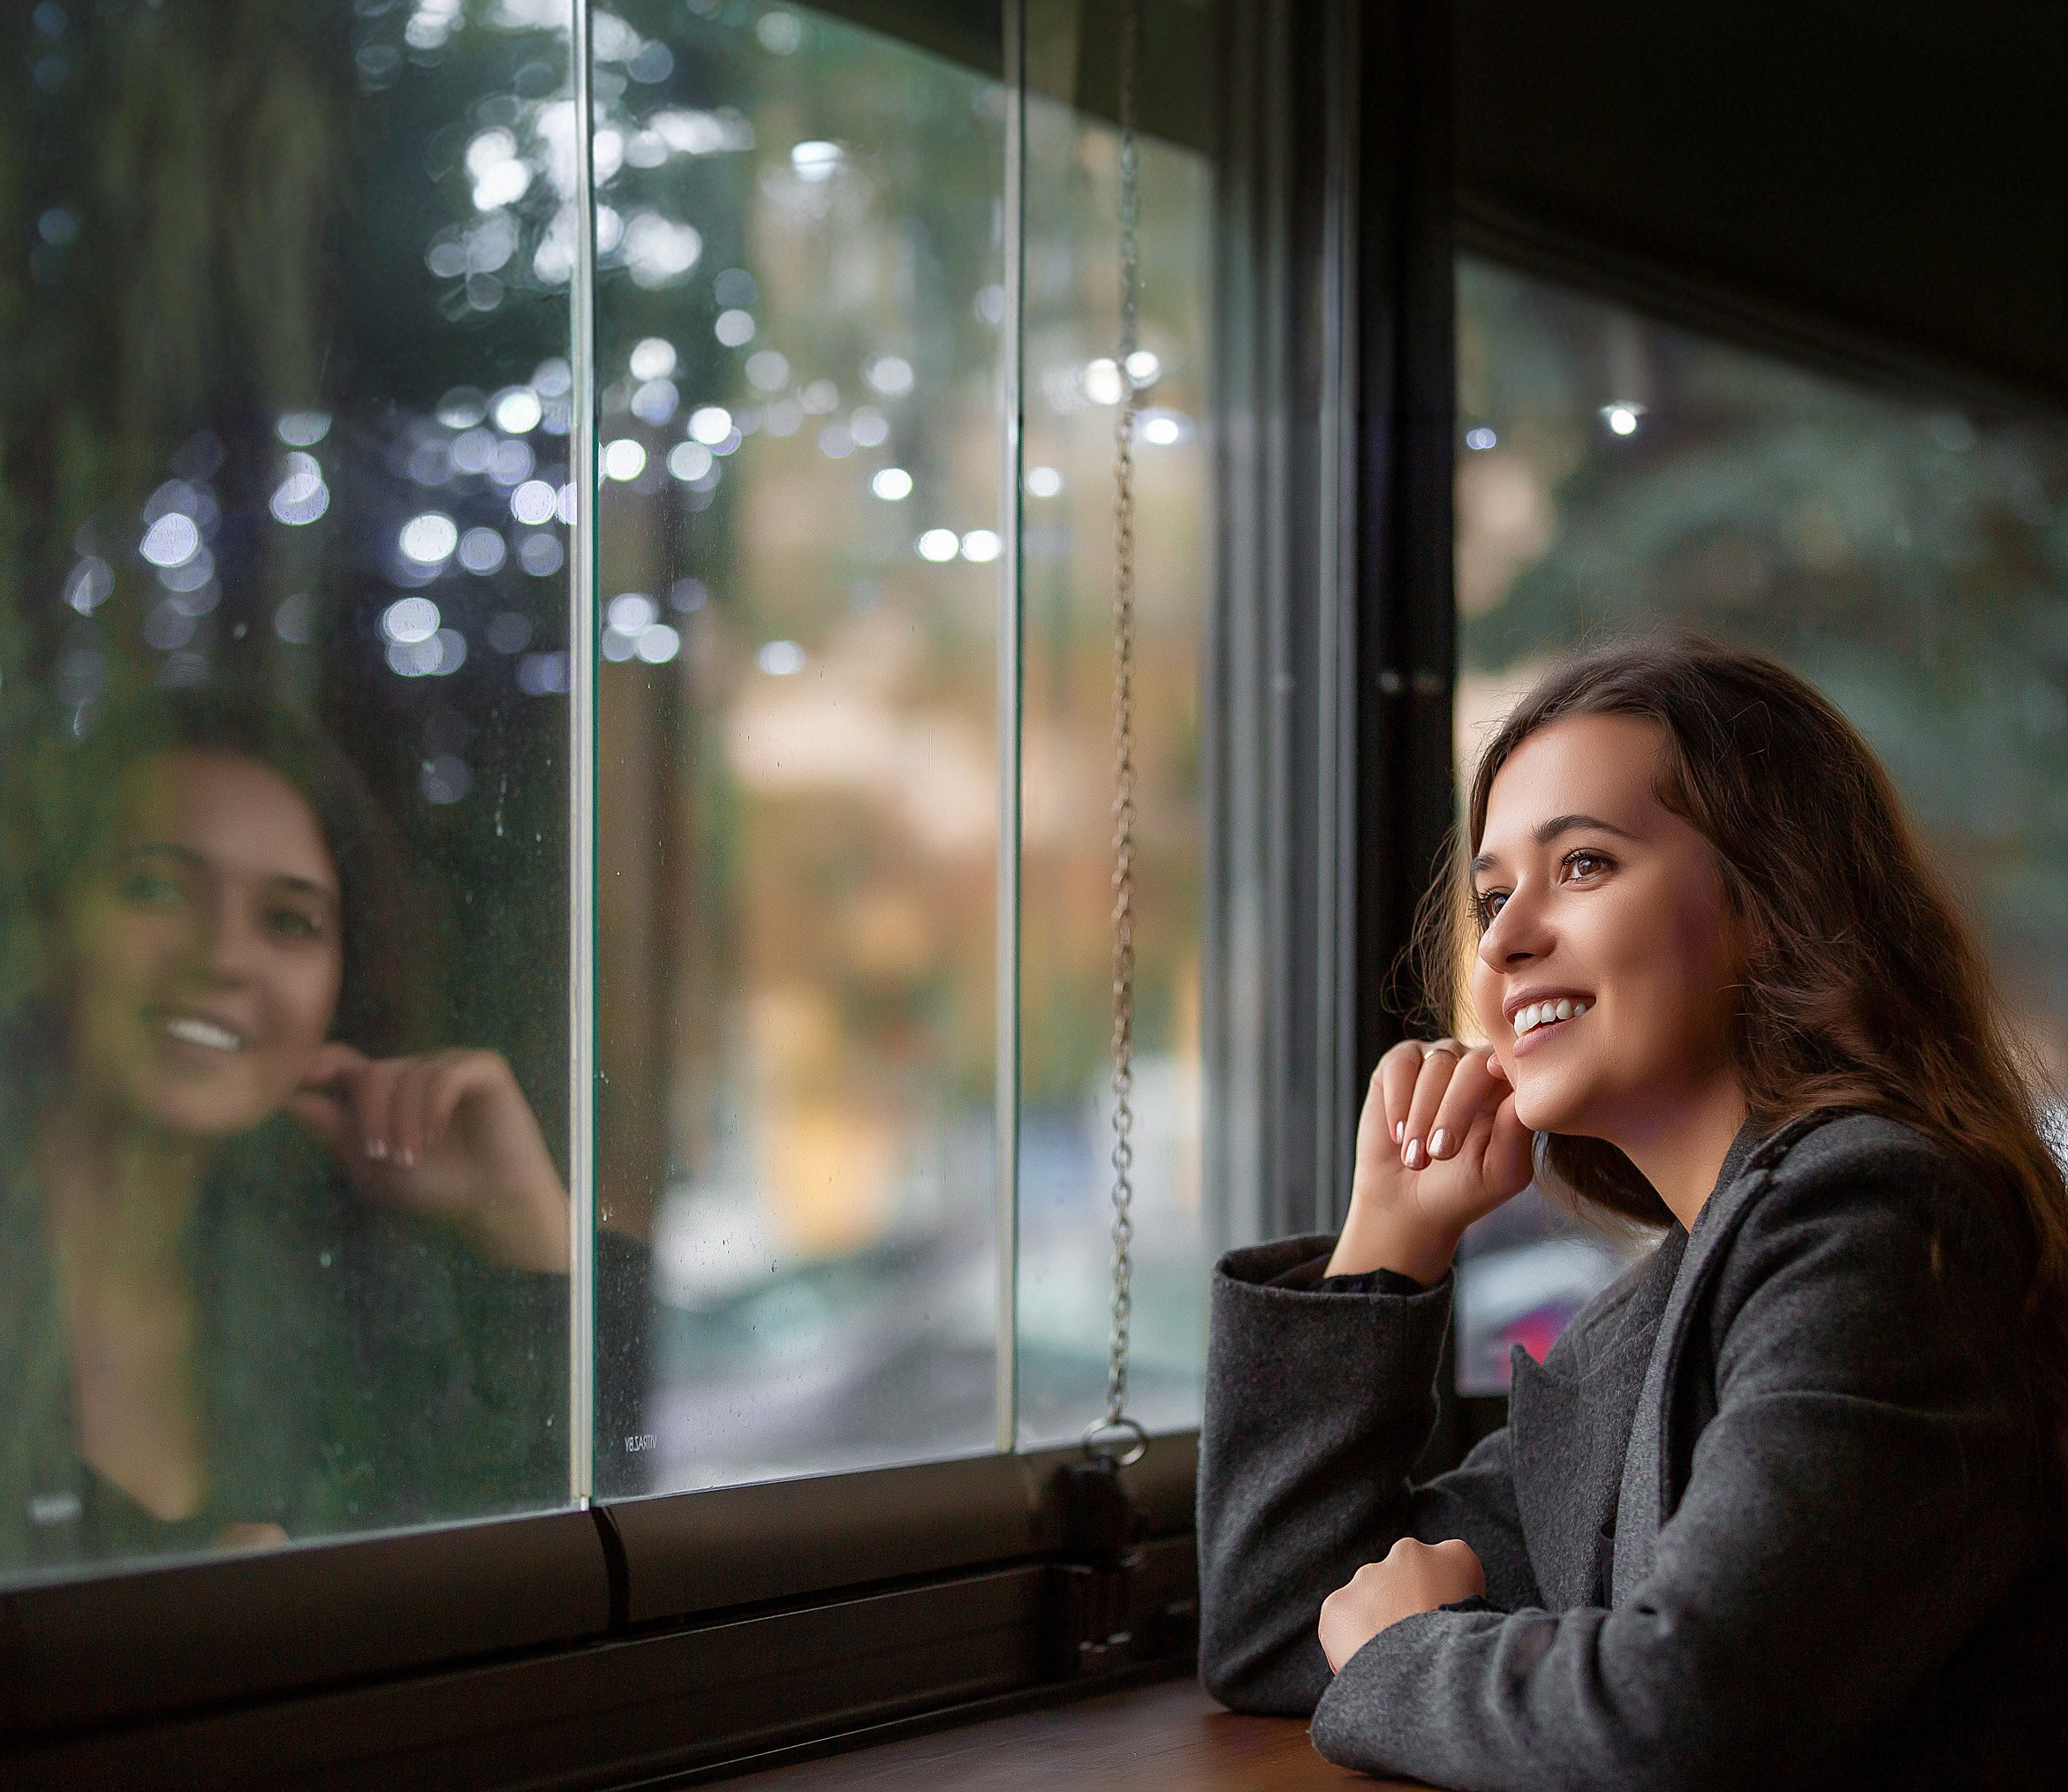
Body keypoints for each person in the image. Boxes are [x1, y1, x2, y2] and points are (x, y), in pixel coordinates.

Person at [1198, 639, 2068, 1787]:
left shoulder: (1877, 1220)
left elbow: (1679, 1714)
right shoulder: (1657, 1316)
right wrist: (1388, 1245)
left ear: (1773, 899)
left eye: (1583, 864)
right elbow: (1283, 1623)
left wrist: (1409, 1649)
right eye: (1492, 895)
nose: (1502, 940)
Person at [0, 691, 631, 1572]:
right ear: (44, 923)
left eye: (287, 921)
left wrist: (521, 1217)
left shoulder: (356, 1308)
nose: (223, 956)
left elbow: (579, 1569)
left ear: (340, 986)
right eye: (156, 887)